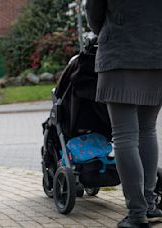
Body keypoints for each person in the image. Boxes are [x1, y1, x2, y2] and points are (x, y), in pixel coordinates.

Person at [85, 1, 162, 228]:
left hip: (120, 52)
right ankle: (149, 206)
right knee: (148, 129)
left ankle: (137, 214)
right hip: (157, 53)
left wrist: (112, 29)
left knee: (124, 136)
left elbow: (94, 10)